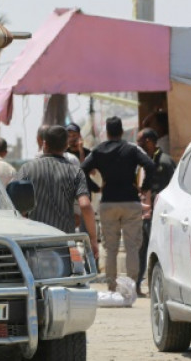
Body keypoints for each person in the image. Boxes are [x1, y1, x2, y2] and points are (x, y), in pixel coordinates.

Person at [81, 116, 156, 292]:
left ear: (107, 132)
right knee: (132, 246)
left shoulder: (98, 150)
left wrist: (95, 187)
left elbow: (82, 169)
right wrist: (144, 189)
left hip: (108, 203)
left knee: (111, 247)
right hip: (130, 201)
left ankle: (112, 287)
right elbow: (150, 165)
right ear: (122, 131)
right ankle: (132, 287)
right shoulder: (131, 149)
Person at [16, 126, 99, 261]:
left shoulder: (27, 169)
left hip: (35, 241)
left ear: (44, 144)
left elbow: (16, 203)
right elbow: (85, 205)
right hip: (64, 242)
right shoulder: (76, 172)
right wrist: (93, 239)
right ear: (66, 146)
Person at [135, 128, 176, 296]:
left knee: (158, 251)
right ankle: (138, 286)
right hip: (143, 214)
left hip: (160, 216)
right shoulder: (142, 162)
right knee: (141, 251)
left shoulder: (165, 161)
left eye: (141, 142)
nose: (139, 146)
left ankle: (157, 288)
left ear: (150, 142)